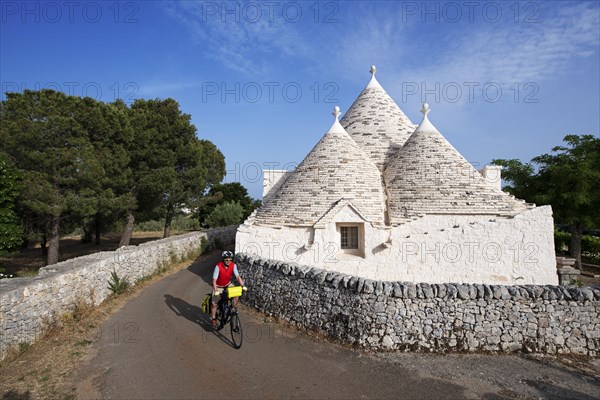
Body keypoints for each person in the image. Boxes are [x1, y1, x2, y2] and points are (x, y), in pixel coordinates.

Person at [211, 250, 245, 328]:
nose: (228, 261)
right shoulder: (218, 266)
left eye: (230, 259)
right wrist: (216, 291)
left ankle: (233, 308)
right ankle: (213, 319)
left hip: (228, 285)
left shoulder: (233, 265)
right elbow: (214, 281)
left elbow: (237, 277)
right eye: (226, 260)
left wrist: (242, 285)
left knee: (237, 294)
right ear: (223, 260)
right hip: (218, 286)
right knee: (214, 304)